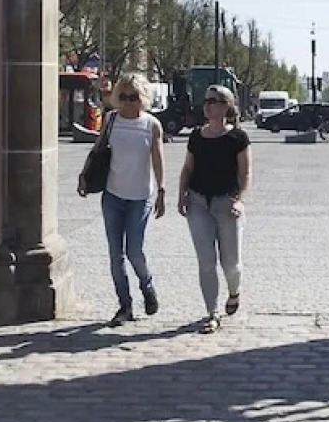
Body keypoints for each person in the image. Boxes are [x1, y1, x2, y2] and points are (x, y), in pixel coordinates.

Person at [78, 72, 166, 325]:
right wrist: (84, 174)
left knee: (134, 250)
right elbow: (98, 149)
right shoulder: (111, 119)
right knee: (115, 254)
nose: (129, 102)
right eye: (124, 96)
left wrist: (162, 190)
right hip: (113, 195)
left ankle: (147, 287)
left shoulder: (151, 125)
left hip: (140, 197)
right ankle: (124, 306)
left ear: (143, 98)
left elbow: (158, 160)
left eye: (134, 97)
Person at [177, 84, 252, 333]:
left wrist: (240, 200)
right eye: (206, 100)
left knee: (231, 264)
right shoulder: (197, 136)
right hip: (199, 202)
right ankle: (212, 312)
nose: (207, 105)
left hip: (227, 204)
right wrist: (181, 194)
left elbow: (246, 174)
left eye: (213, 101)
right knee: (206, 261)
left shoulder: (237, 138)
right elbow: (188, 168)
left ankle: (234, 292)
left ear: (226, 106)